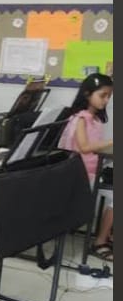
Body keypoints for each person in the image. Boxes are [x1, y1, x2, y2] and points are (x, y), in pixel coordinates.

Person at [57, 73, 114, 262]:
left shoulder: (95, 119)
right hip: (80, 175)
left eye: (109, 96)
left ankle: (107, 235)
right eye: (102, 95)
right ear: (88, 94)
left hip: (93, 170)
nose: (106, 100)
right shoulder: (81, 118)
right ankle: (100, 241)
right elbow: (84, 147)